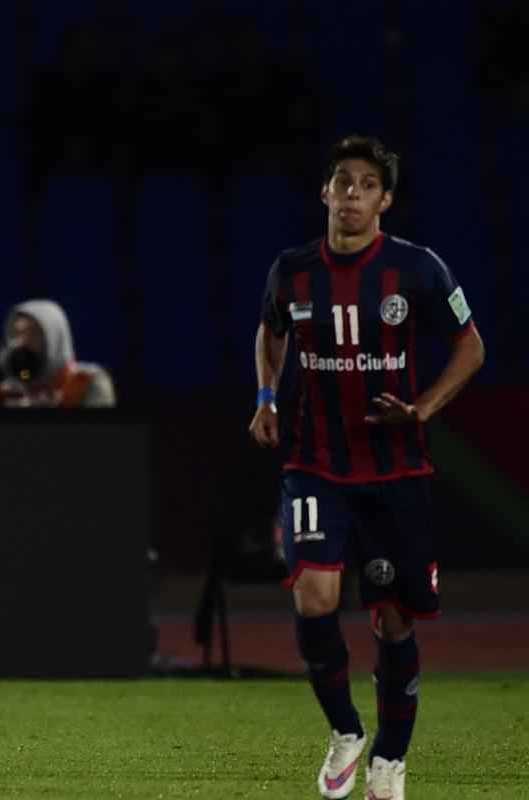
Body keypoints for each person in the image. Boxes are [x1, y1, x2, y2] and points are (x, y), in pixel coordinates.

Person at [249, 135, 485, 800]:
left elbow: (472, 347)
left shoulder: (418, 269)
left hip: (395, 471)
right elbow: (269, 333)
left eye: (366, 184)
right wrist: (266, 396)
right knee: (313, 597)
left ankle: (390, 759)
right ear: (324, 193)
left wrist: (424, 408)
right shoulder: (291, 271)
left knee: (393, 621)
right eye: (342, 182)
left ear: (385, 199)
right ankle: (346, 731)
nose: (352, 193)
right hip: (314, 463)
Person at [0, 299, 116, 408]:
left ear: (56, 338)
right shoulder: (5, 390)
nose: (23, 342)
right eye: (17, 334)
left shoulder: (87, 382)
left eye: (34, 333)